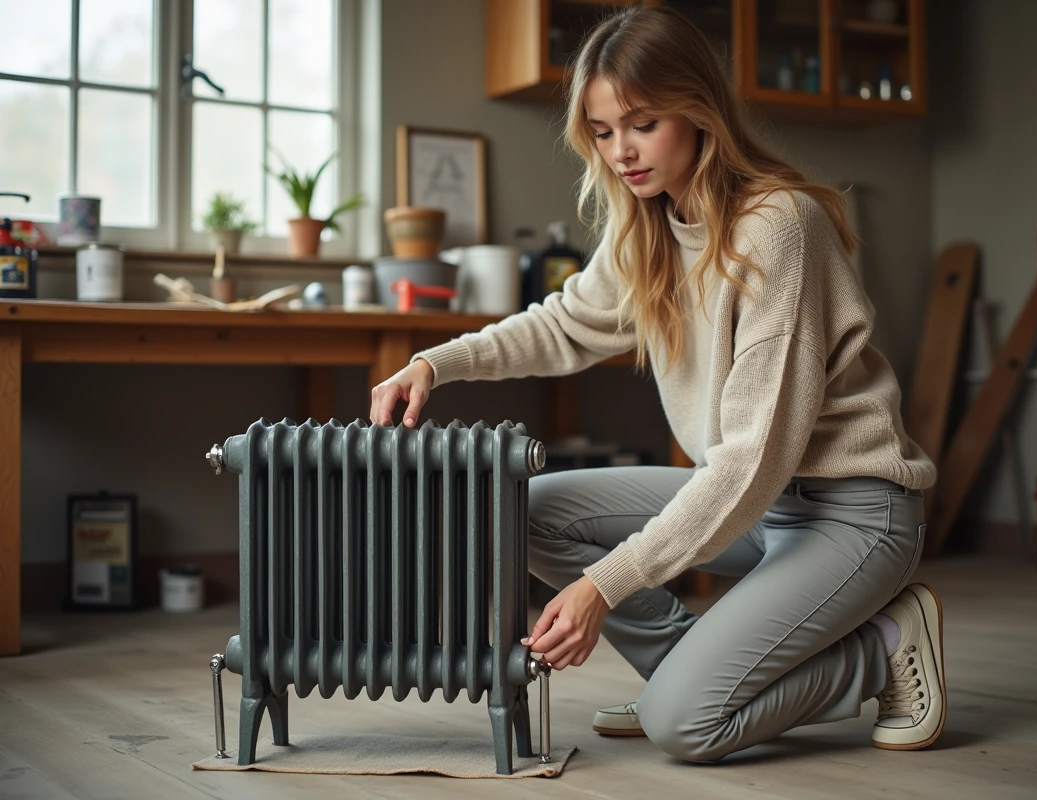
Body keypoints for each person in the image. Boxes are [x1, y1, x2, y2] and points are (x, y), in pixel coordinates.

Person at [369, 4, 944, 762]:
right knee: (526, 511)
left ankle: (884, 644)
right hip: (761, 507)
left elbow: (748, 461)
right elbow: (564, 325)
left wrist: (604, 586)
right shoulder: (648, 224)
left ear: (698, 108)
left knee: (685, 726)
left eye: (641, 124)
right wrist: (435, 363)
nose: (620, 153)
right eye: (603, 132)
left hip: (852, 514)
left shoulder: (778, 228)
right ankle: (689, 669)